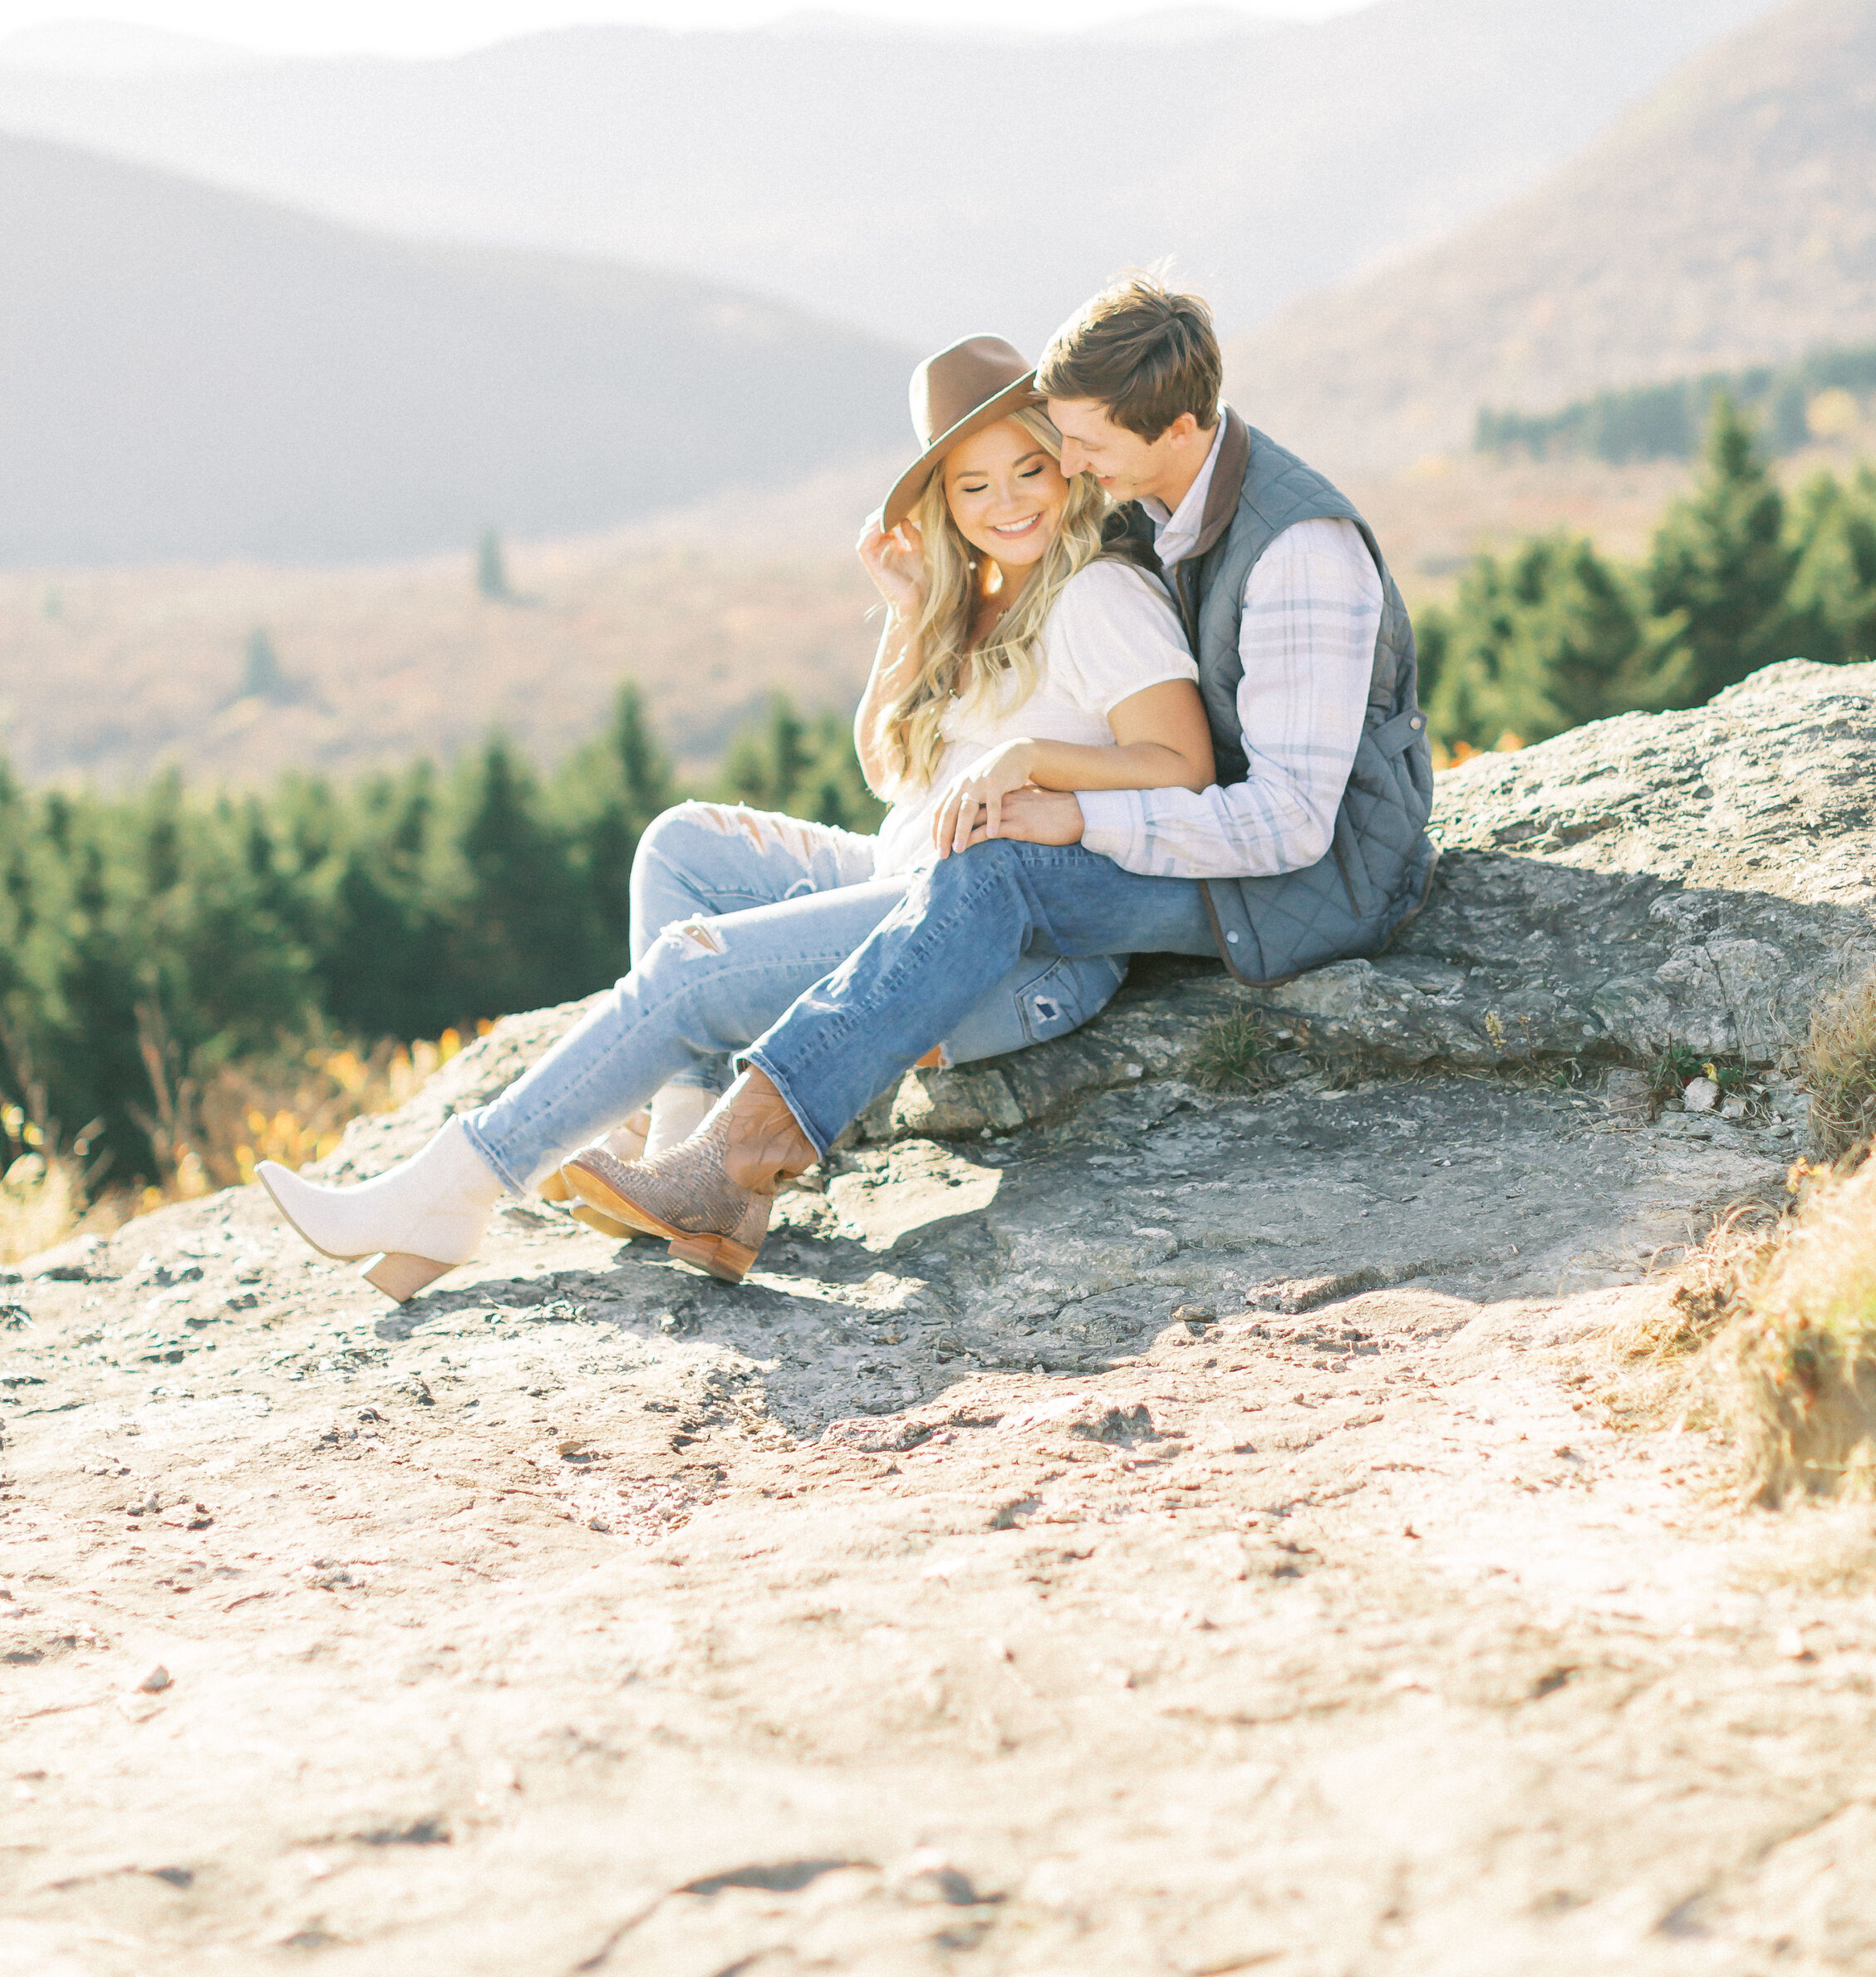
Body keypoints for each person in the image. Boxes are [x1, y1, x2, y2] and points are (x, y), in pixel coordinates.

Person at [256, 331, 1216, 1296]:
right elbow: (892, 770)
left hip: (1008, 949)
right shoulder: (985, 592)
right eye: (974, 488)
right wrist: (908, 612)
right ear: (942, 504)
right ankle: (682, 1151)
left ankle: (452, 1189)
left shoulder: (1098, 594)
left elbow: (1185, 766)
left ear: (1069, 468)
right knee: (682, 848)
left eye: (1028, 470)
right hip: (907, 878)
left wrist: (1033, 760)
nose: (1007, 503)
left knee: (692, 968)